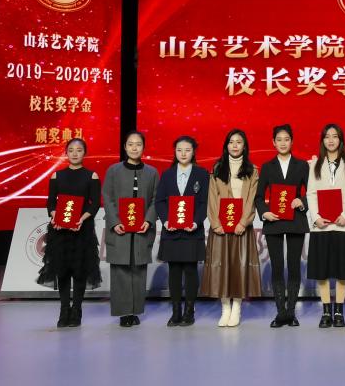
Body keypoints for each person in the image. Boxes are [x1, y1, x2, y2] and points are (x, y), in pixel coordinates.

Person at [35, 138, 102, 328]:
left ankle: (77, 310)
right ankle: (64, 310)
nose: (74, 153)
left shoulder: (92, 176)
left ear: (84, 153)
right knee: (62, 270)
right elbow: (51, 202)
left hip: (82, 229)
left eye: (79, 150)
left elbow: (95, 203)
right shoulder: (57, 176)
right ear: (66, 153)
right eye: (71, 150)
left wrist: (82, 219)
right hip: (60, 230)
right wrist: (55, 216)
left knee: (79, 270)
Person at [201, 129, 262, 327]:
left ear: (244, 146)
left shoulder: (252, 170)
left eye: (239, 142)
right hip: (221, 226)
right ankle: (225, 308)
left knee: (239, 267)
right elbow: (212, 197)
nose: (235, 145)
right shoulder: (217, 168)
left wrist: (243, 222)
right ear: (226, 145)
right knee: (222, 267)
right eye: (231, 142)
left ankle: (237, 307)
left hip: (241, 227)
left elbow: (251, 199)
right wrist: (215, 223)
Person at [255, 124, 310, 328]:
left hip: (296, 220)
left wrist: (301, 201)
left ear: (292, 141)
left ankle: (291, 312)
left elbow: (311, 192)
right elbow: (259, 196)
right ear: (273, 142)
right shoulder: (267, 166)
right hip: (274, 221)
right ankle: (280, 313)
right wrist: (264, 212)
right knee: (277, 266)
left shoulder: (302, 165)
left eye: (286, 139)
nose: (283, 143)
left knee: (294, 265)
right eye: (279, 139)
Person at [102, 131, 159, 327]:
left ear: (144, 147)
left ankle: (135, 311)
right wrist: (114, 222)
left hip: (142, 229)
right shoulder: (113, 170)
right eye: (131, 144)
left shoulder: (152, 172)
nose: (135, 148)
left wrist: (149, 220)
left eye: (138, 144)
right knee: (120, 271)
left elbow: (155, 199)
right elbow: (107, 197)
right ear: (125, 147)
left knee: (138, 271)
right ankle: (124, 313)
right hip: (120, 229)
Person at [306, 124, 345, 328]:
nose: (331, 140)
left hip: (343, 225)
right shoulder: (314, 165)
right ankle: (326, 311)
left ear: (340, 140)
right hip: (322, 225)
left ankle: (339, 311)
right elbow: (311, 193)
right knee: (322, 269)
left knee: (343, 270)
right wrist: (316, 217)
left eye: (334, 136)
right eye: (327, 136)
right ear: (322, 141)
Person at [155, 136, 209, 327]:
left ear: (193, 152)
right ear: (175, 152)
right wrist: (166, 221)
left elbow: (204, 202)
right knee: (174, 271)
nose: (183, 153)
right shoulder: (167, 174)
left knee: (191, 270)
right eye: (179, 150)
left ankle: (189, 311)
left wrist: (195, 222)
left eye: (187, 150)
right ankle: (176, 311)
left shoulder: (202, 174)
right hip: (172, 231)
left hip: (192, 230)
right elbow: (160, 201)